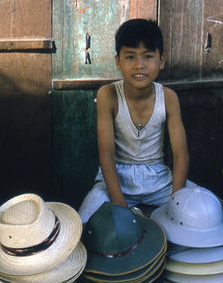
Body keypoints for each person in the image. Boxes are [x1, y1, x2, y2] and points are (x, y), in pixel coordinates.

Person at [78, 18, 193, 223]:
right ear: (118, 61)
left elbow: (181, 154)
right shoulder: (108, 94)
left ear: (161, 60)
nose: (139, 65)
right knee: (83, 222)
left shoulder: (168, 98)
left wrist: (177, 201)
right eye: (130, 57)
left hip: (159, 181)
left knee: (203, 207)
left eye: (148, 56)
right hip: (115, 180)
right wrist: (121, 207)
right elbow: (106, 153)